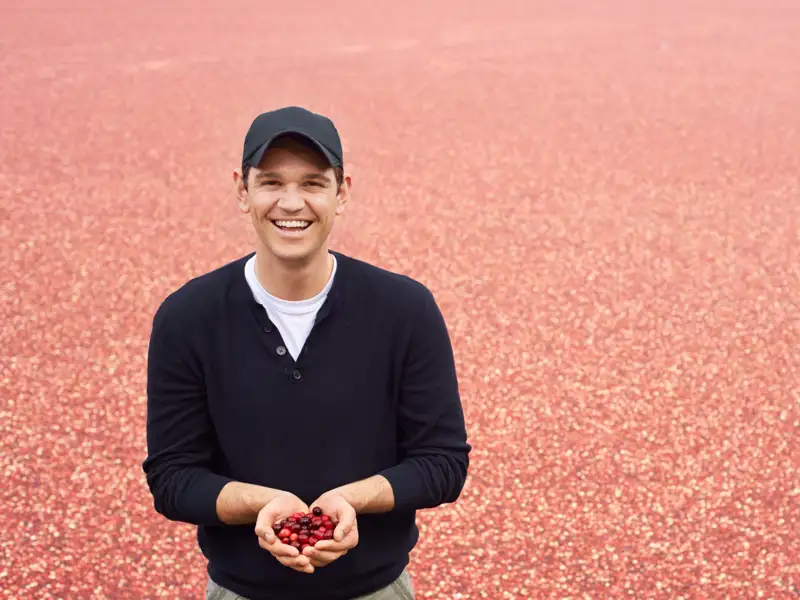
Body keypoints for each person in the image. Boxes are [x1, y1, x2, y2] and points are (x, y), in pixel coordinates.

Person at [142, 106, 471, 600]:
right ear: (242, 191)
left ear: (342, 193)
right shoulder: (188, 317)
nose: (291, 203)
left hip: (376, 589)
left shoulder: (404, 309)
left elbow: (443, 462)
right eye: (271, 182)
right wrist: (263, 505)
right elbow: (172, 477)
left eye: (313, 184)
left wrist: (351, 501)